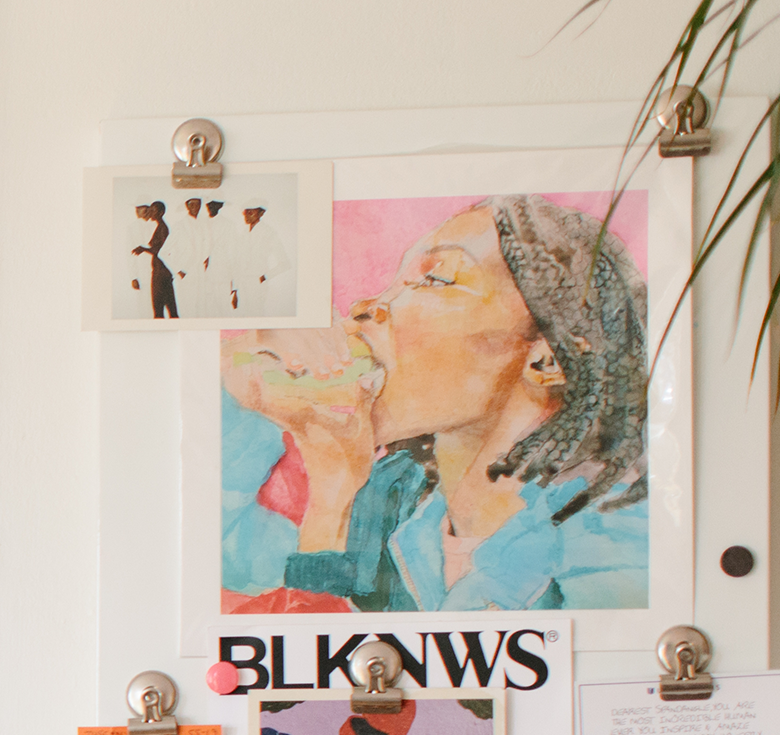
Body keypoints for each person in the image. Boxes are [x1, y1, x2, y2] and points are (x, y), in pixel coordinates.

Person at [221, 194, 649, 612]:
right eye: (395, 282)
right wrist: (238, 387)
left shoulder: (616, 548)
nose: (366, 307)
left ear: (547, 358)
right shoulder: (392, 503)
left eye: (436, 279)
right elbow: (222, 554)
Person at [133, 200, 179, 320]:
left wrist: (143, 249)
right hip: (162, 272)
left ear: (161, 212)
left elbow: (161, 251)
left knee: (160, 310)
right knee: (169, 309)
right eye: (151, 210)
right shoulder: (159, 227)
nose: (151, 213)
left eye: (154, 211)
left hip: (161, 273)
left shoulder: (163, 228)